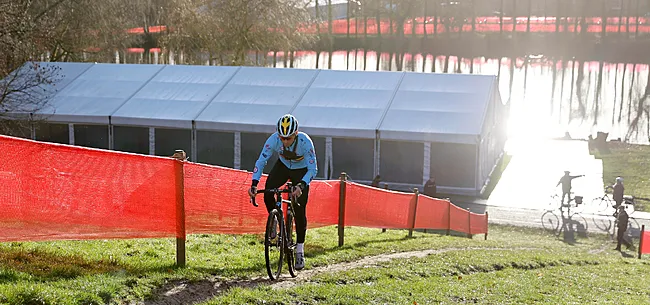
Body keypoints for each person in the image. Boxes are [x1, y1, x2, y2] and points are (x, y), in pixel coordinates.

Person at [248, 114, 317, 270]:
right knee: (268, 191)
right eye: (282, 138)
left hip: (301, 171)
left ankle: (299, 250)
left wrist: (301, 185)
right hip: (283, 167)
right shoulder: (273, 139)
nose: (285, 141)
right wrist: (254, 183)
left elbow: (313, 169)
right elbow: (261, 161)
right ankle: (275, 221)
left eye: (289, 138)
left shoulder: (305, 142)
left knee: (299, 211)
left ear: (296, 134)